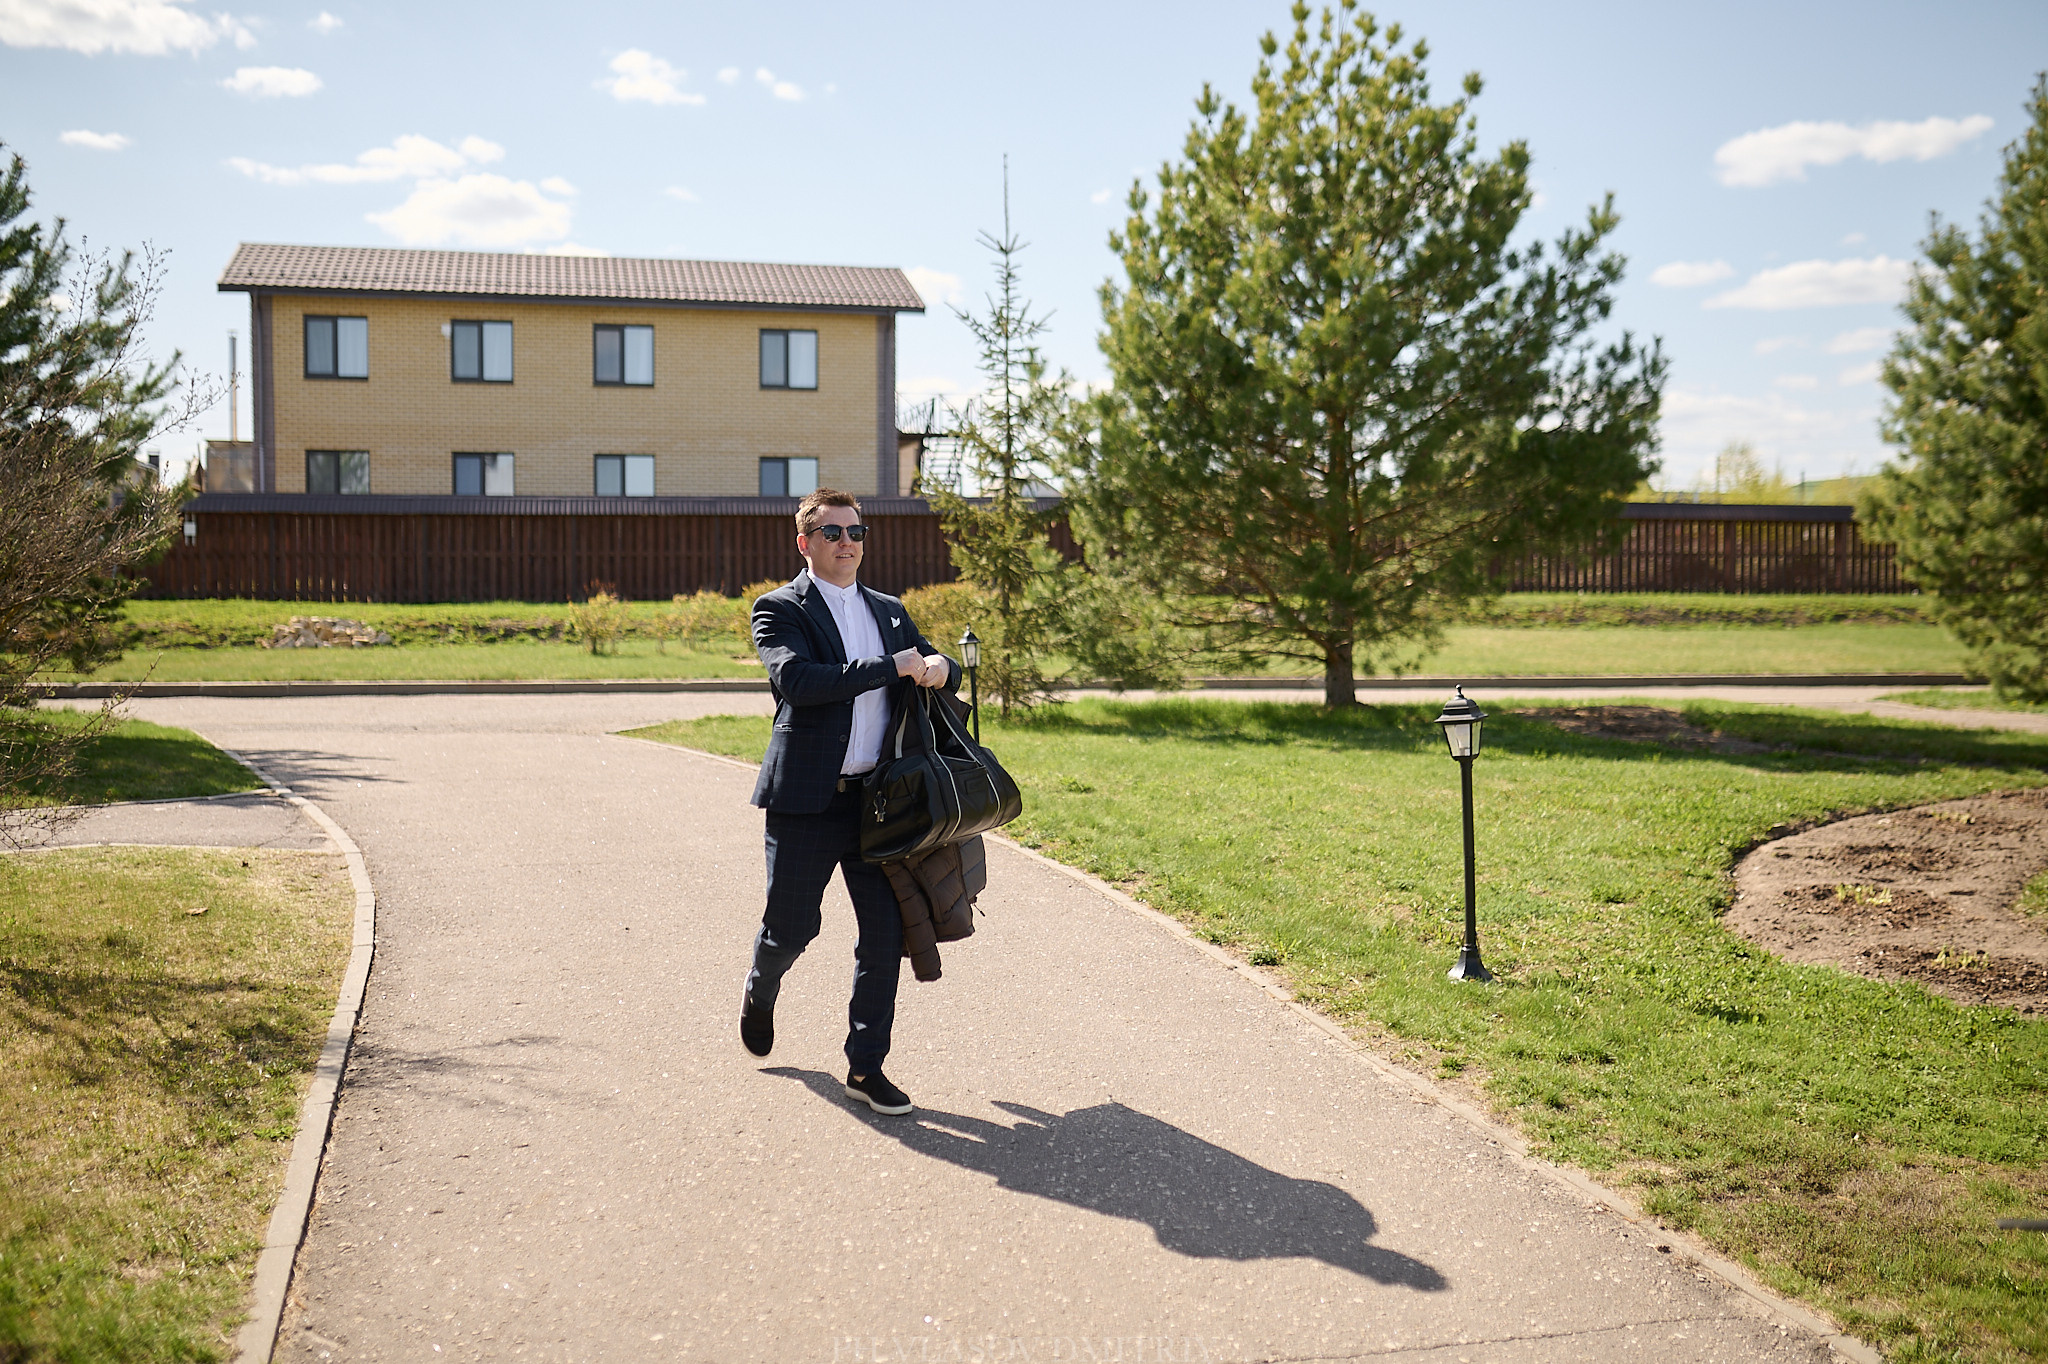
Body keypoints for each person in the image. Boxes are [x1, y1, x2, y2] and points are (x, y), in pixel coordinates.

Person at [741, 488, 960, 1116]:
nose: (847, 543)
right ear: (804, 543)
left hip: (879, 803)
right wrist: (892, 667)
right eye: (832, 533)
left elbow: (933, 659)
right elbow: (797, 681)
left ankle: (866, 1067)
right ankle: (761, 985)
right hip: (806, 801)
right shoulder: (779, 608)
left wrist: (941, 667)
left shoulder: (888, 610)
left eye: (856, 532)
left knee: (885, 935)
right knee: (792, 928)